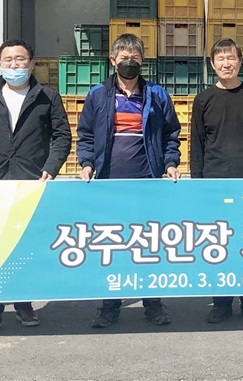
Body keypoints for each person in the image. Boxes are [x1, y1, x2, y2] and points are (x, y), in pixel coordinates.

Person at [0, 39, 71, 337]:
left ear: (31, 64)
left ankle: (24, 303)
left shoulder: (47, 97)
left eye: (20, 59)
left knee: (24, 247)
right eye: (8, 60)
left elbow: (62, 136)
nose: (14, 65)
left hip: (31, 182)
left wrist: (51, 167)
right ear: (0, 63)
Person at [77, 33, 181, 329]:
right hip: (109, 183)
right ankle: (109, 306)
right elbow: (86, 134)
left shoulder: (157, 95)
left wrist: (170, 162)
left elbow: (171, 133)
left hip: (148, 181)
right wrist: (86, 163)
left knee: (149, 244)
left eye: (135, 58)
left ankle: (153, 303)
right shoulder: (98, 94)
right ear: (113, 61)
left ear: (142, 61)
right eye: (124, 58)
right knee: (112, 245)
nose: (129, 63)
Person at [190, 38, 243, 324]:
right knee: (219, 245)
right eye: (220, 59)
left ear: (240, 61)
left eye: (231, 58)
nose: (226, 64)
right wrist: (198, 183)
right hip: (215, 183)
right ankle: (221, 302)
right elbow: (197, 144)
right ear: (213, 65)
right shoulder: (203, 100)